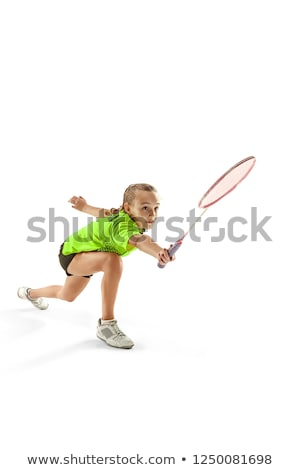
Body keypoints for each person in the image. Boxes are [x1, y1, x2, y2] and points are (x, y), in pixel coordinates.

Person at [17, 183, 174, 349]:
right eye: (145, 208)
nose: (152, 214)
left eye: (156, 208)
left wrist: (84, 206)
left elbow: (101, 213)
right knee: (112, 261)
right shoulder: (122, 226)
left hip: (87, 256)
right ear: (128, 208)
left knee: (67, 295)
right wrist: (158, 252)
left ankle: (30, 293)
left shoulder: (119, 213)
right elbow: (140, 241)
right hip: (73, 254)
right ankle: (106, 325)